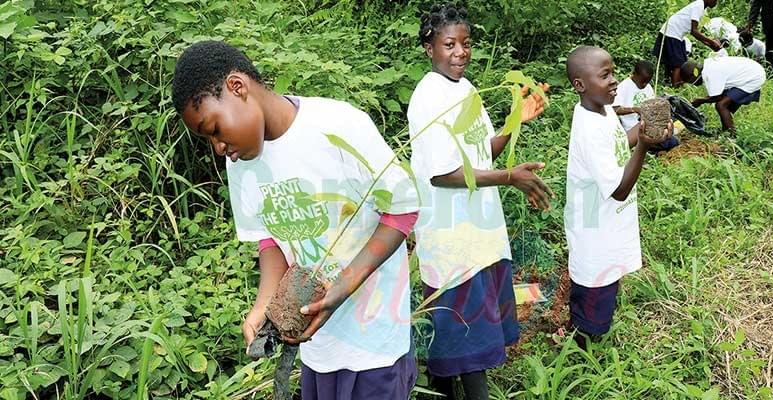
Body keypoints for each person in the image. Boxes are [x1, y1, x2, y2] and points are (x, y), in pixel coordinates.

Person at [172, 41, 421, 400]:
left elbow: (402, 209)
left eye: (214, 129)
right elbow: (270, 239)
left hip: (375, 340)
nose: (219, 148)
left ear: (237, 87)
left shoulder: (338, 126)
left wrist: (344, 286)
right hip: (317, 346)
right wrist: (263, 305)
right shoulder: (242, 164)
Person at [406, 4, 552, 399]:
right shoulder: (428, 97)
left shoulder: (466, 89)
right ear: (428, 48)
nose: (460, 52)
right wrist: (509, 178)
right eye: (449, 44)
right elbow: (443, 173)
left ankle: (442, 387)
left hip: (479, 232)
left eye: (466, 44)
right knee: (466, 337)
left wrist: (515, 119)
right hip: (452, 238)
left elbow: (481, 149)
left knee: (461, 333)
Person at [564, 46, 671, 350]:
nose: (614, 81)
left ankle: (590, 336)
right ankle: (581, 349)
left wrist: (643, 130)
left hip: (605, 220)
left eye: (613, 72)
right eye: (605, 75)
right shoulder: (588, 127)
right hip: (594, 224)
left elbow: (618, 145)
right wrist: (645, 147)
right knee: (594, 289)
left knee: (605, 285)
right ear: (579, 85)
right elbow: (619, 189)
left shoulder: (603, 110)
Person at [681, 57, 766, 133]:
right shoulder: (709, 66)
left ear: (693, 75)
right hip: (751, 72)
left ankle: (731, 134)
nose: (693, 84)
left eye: (690, 81)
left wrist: (700, 100)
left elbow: (717, 97)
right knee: (726, 104)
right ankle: (725, 129)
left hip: (753, 77)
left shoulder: (711, 74)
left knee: (721, 105)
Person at [653, 0, 722, 87]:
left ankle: (673, 84)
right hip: (672, 32)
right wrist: (711, 41)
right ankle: (675, 87)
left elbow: (695, 33)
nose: (716, 2)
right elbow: (694, 31)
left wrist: (710, 45)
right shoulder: (698, 5)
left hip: (677, 35)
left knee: (682, 62)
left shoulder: (700, 7)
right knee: (678, 64)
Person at [613, 60, 656, 132]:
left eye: (647, 82)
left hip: (647, 124)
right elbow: (614, 109)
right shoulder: (624, 87)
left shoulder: (648, 87)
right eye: (643, 82)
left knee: (672, 140)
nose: (645, 85)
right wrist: (635, 109)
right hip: (631, 129)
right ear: (634, 74)